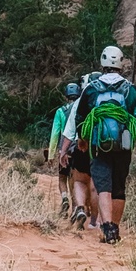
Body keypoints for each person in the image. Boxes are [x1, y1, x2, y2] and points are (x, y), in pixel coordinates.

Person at [73, 45, 136, 244]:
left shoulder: (91, 89)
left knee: (103, 187)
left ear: (102, 64)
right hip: (123, 146)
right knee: (119, 187)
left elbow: (80, 117)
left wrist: (82, 139)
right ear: (120, 64)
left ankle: (107, 227)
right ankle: (114, 229)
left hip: (98, 145)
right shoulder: (131, 89)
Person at [58, 71, 101, 230]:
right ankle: (94, 221)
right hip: (101, 147)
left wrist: (62, 151)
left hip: (80, 146)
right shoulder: (105, 99)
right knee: (95, 185)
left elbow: (69, 131)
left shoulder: (79, 102)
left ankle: (80, 207)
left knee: (79, 181)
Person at [47, 83, 80, 216]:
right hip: (78, 148)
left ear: (66, 96)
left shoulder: (60, 111)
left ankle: (65, 198)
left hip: (64, 149)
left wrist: (51, 154)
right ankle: (75, 209)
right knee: (75, 179)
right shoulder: (80, 109)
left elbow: (55, 134)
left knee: (62, 178)